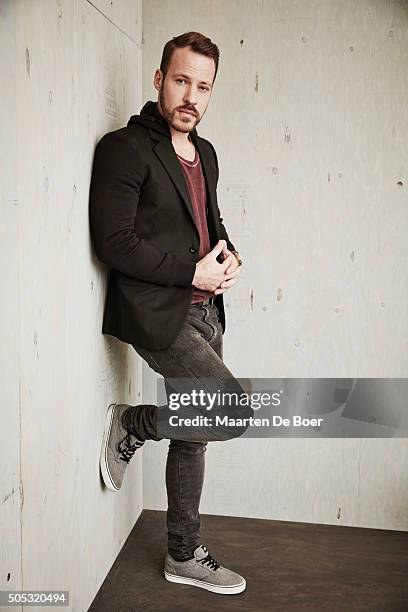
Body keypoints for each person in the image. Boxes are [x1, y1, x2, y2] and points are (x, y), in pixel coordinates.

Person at [89, 31, 252, 596]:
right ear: (159, 79)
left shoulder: (204, 152)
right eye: (181, 81)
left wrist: (228, 254)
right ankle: (133, 423)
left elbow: (208, 218)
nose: (191, 96)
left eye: (202, 87)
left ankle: (182, 555)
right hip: (162, 310)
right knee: (230, 412)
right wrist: (191, 274)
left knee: (197, 432)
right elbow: (114, 241)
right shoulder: (125, 148)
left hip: (209, 310)